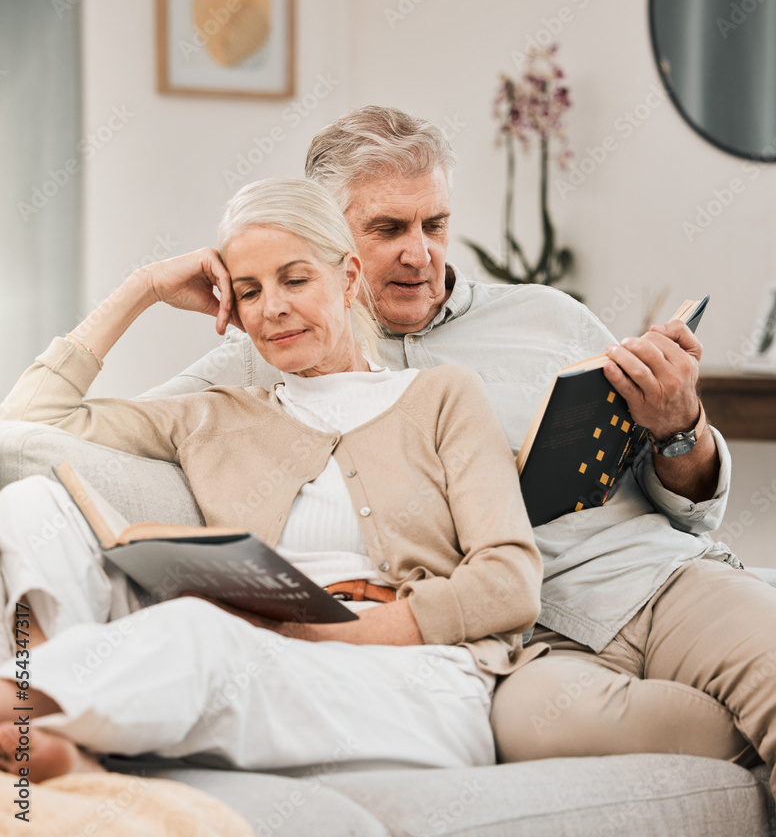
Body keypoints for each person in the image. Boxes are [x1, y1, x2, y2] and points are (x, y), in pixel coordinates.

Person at [140, 106, 776, 783]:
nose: (421, 253)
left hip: (657, 579)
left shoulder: (546, 316)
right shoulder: (273, 358)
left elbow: (691, 508)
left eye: (434, 224)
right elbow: (75, 434)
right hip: (531, 647)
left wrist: (681, 427)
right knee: (538, 732)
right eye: (389, 229)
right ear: (324, 236)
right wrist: (151, 289)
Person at [0, 178, 544, 782]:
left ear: (348, 277)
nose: (272, 308)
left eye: (295, 279)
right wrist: (143, 288)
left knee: (200, 633)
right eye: (248, 291)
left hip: (414, 684)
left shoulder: (444, 395)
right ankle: (53, 728)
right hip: (252, 662)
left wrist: (314, 628)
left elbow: (511, 582)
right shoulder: (212, 414)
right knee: (30, 504)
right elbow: (28, 422)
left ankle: (32, 717)